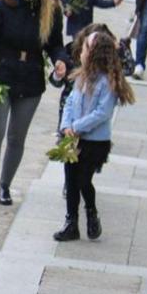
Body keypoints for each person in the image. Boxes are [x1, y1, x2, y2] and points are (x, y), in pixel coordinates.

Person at [0, 0, 70, 206]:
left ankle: (5, 186)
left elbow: (55, 44)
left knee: (17, 136)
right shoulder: (5, 2)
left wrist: (61, 60)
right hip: (2, 75)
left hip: (30, 78)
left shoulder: (51, 9)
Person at [54, 29, 134, 242]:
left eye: (86, 47)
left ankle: (91, 212)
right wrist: (66, 126)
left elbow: (102, 113)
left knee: (83, 180)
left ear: (95, 53)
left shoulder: (107, 82)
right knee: (70, 179)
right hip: (73, 137)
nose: (81, 51)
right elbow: (70, 101)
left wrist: (77, 126)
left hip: (95, 142)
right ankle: (71, 222)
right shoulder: (81, 76)